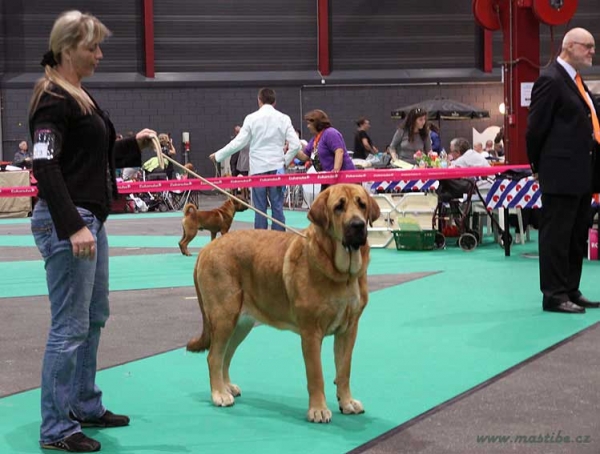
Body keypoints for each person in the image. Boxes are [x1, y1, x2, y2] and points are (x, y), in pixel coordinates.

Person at [28, 10, 157, 452]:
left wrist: (131, 146)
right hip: (71, 223)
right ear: (68, 50)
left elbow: (86, 162)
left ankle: (83, 403)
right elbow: (44, 166)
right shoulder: (53, 98)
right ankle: (56, 427)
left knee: (93, 317)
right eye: (92, 47)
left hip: (89, 220)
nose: (100, 55)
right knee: (68, 327)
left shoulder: (78, 95)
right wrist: (70, 227)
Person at [526, 27, 600, 314]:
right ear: (569, 47)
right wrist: (537, 167)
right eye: (588, 46)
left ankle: (570, 289)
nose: (592, 52)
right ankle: (554, 295)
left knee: (575, 234)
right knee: (556, 236)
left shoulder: (577, 82)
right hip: (559, 173)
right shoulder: (550, 80)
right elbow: (535, 129)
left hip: (582, 174)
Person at [210, 88, 300, 231]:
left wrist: (219, 155)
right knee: (277, 207)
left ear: (259, 100)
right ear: (274, 102)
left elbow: (238, 143)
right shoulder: (284, 118)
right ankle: (280, 242)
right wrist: (284, 161)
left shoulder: (251, 118)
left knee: (259, 209)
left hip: (258, 170)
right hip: (277, 169)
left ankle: (259, 244)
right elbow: (296, 145)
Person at [295, 109, 355, 192]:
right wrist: (292, 148)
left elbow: (339, 151)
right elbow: (304, 157)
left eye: (309, 123)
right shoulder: (315, 140)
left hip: (343, 180)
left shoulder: (330, 133)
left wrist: (335, 170)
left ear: (317, 123)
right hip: (328, 180)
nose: (308, 126)